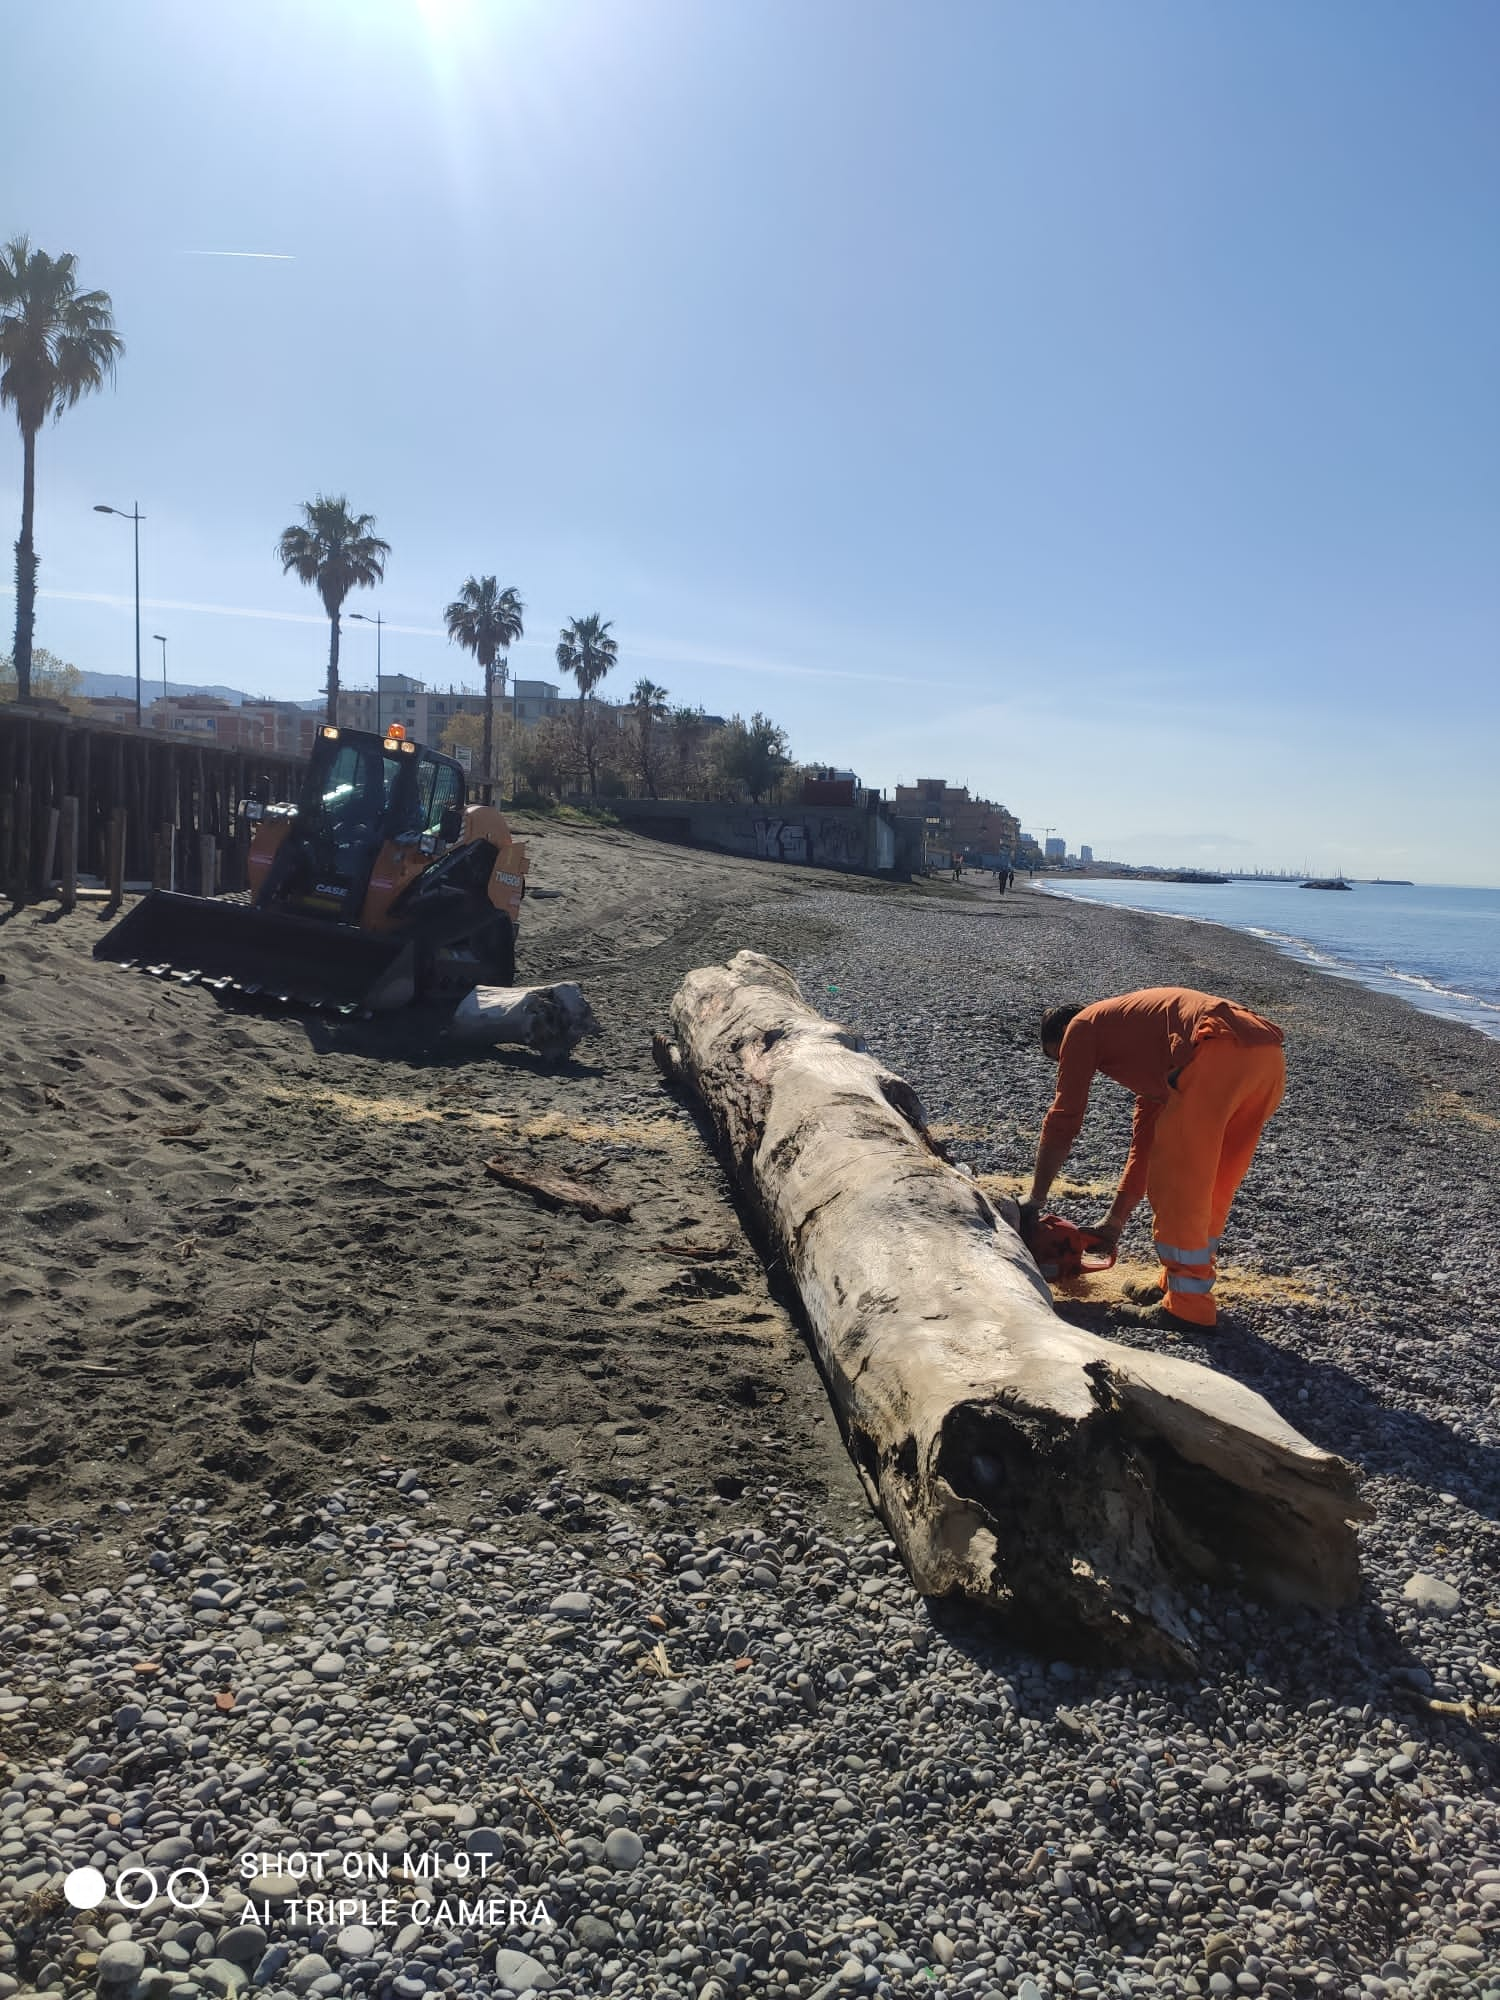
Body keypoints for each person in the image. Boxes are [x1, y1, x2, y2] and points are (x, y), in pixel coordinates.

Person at [1020, 986, 1286, 1328]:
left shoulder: (1081, 1027)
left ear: (1063, 1038)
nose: (1068, 1065)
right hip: (1266, 1058)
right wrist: (1114, 1222)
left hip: (1217, 1051)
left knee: (1177, 1184)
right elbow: (1145, 1144)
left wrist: (1036, 1197)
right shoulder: (1150, 1045)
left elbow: (1064, 1119)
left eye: (1059, 1058)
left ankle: (1188, 1308)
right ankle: (1176, 1286)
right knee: (1212, 1184)